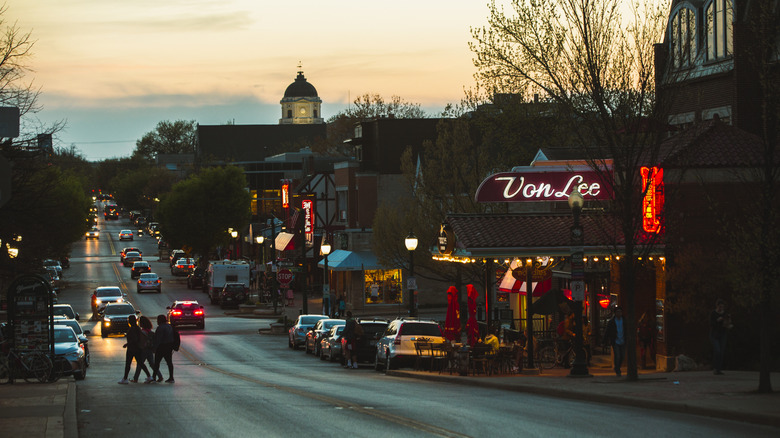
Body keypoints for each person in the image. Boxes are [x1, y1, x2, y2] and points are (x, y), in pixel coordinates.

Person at [118, 314, 150, 384]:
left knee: (128, 364)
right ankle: (149, 376)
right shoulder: (137, 328)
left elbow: (134, 339)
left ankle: (125, 378)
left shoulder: (132, 328)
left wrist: (127, 344)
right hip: (137, 348)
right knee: (140, 363)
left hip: (132, 349)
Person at [135, 315, 160, 383]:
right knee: (152, 363)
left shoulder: (142, 332)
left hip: (144, 350)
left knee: (140, 364)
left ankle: (135, 378)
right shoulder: (150, 332)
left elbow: (141, 341)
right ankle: (159, 376)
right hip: (150, 349)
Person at [710, 299, 731, 375]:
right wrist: (717, 321)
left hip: (723, 334)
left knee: (721, 352)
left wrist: (728, 323)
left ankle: (718, 369)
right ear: (717, 306)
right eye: (720, 307)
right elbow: (711, 324)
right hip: (714, 334)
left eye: (722, 307)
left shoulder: (725, 313)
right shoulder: (713, 313)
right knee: (717, 351)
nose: (721, 308)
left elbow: (727, 322)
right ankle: (715, 368)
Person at [152, 314, 176, 383]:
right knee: (169, 363)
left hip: (161, 347)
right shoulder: (169, 326)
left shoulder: (160, 328)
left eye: (158, 320)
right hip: (169, 347)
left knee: (157, 363)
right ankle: (171, 377)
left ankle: (154, 377)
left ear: (160, 320)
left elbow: (158, 339)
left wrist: (155, 348)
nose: (157, 321)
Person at [604, 306, 626, 376]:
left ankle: (617, 367)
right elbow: (607, 331)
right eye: (617, 312)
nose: (619, 313)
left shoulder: (624, 321)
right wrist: (604, 341)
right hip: (616, 341)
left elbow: (627, 330)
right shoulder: (612, 322)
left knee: (622, 355)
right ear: (615, 313)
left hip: (623, 340)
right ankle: (617, 369)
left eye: (620, 312)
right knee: (617, 355)